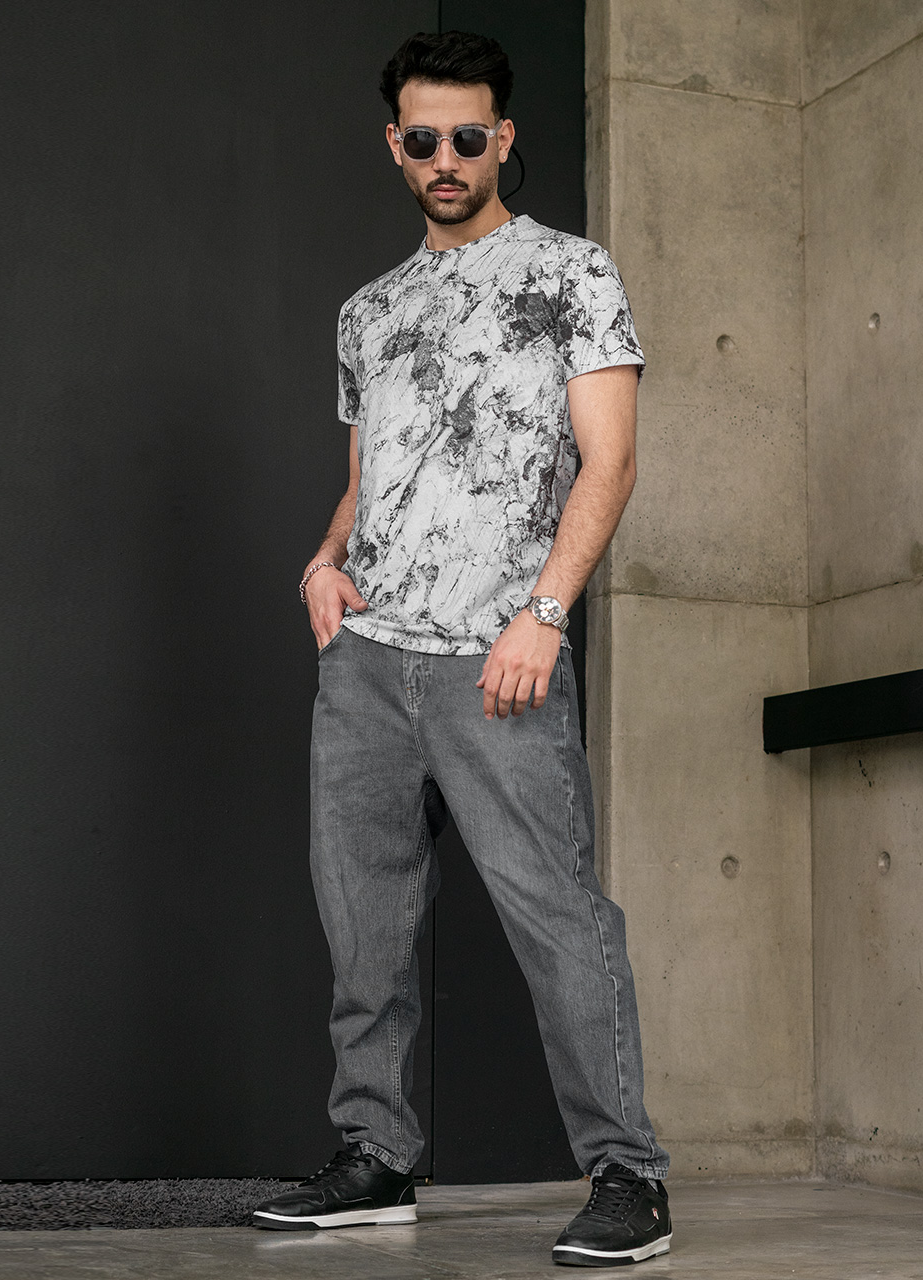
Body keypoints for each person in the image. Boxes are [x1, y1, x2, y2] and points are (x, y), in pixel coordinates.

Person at [252, 30, 672, 1268]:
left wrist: (542, 613)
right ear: (396, 145)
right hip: (365, 661)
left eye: (469, 136)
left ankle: (627, 1175)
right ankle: (374, 1154)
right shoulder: (367, 310)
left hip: (498, 657)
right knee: (363, 926)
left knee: (559, 919)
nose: (447, 157)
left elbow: (609, 460)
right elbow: (369, 478)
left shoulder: (569, 272)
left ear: (502, 138)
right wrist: (323, 561)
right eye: (424, 138)